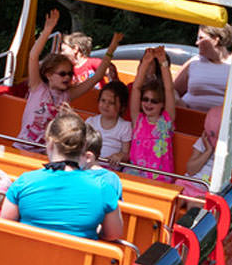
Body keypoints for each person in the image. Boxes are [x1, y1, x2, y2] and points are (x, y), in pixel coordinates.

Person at [1, 112, 123, 241]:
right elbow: (113, 234)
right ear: (83, 148)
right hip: (78, 260)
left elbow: (5, 225)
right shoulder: (103, 189)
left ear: (51, 144)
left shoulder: (23, 182)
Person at [16, 9, 122, 150]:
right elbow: (33, 56)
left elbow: (97, 77)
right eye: (62, 74)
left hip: (47, 151)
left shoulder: (67, 95)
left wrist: (112, 47)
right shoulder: (38, 87)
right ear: (49, 74)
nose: (67, 77)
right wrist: (48, 30)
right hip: (24, 146)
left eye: (70, 74)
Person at [173, 24, 232, 111]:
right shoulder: (194, 62)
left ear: (215, 40)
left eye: (201, 38)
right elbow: (173, 90)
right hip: (189, 119)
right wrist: (180, 104)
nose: (197, 42)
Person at [128, 46, 176, 182]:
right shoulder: (138, 119)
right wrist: (145, 63)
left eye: (154, 101)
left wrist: (163, 63)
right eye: (145, 99)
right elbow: (136, 88)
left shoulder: (166, 120)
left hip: (160, 177)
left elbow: (169, 89)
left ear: (162, 104)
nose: (148, 104)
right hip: (135, 174)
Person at [178, 105, 224, 198]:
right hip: (189, 183)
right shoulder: (203, 142)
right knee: (174, 196)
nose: (213, 140)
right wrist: (208, 151)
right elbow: (190, 170)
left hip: (207, 192)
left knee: (196, 204)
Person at [84, 81, 131, 168]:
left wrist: (120, 156)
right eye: (103, 100)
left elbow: (126, 154)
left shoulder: (125, 126)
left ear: (122, 107)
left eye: (111, 103)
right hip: (89, 166)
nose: (106, 105)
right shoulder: (90, 122)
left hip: (112, 170)